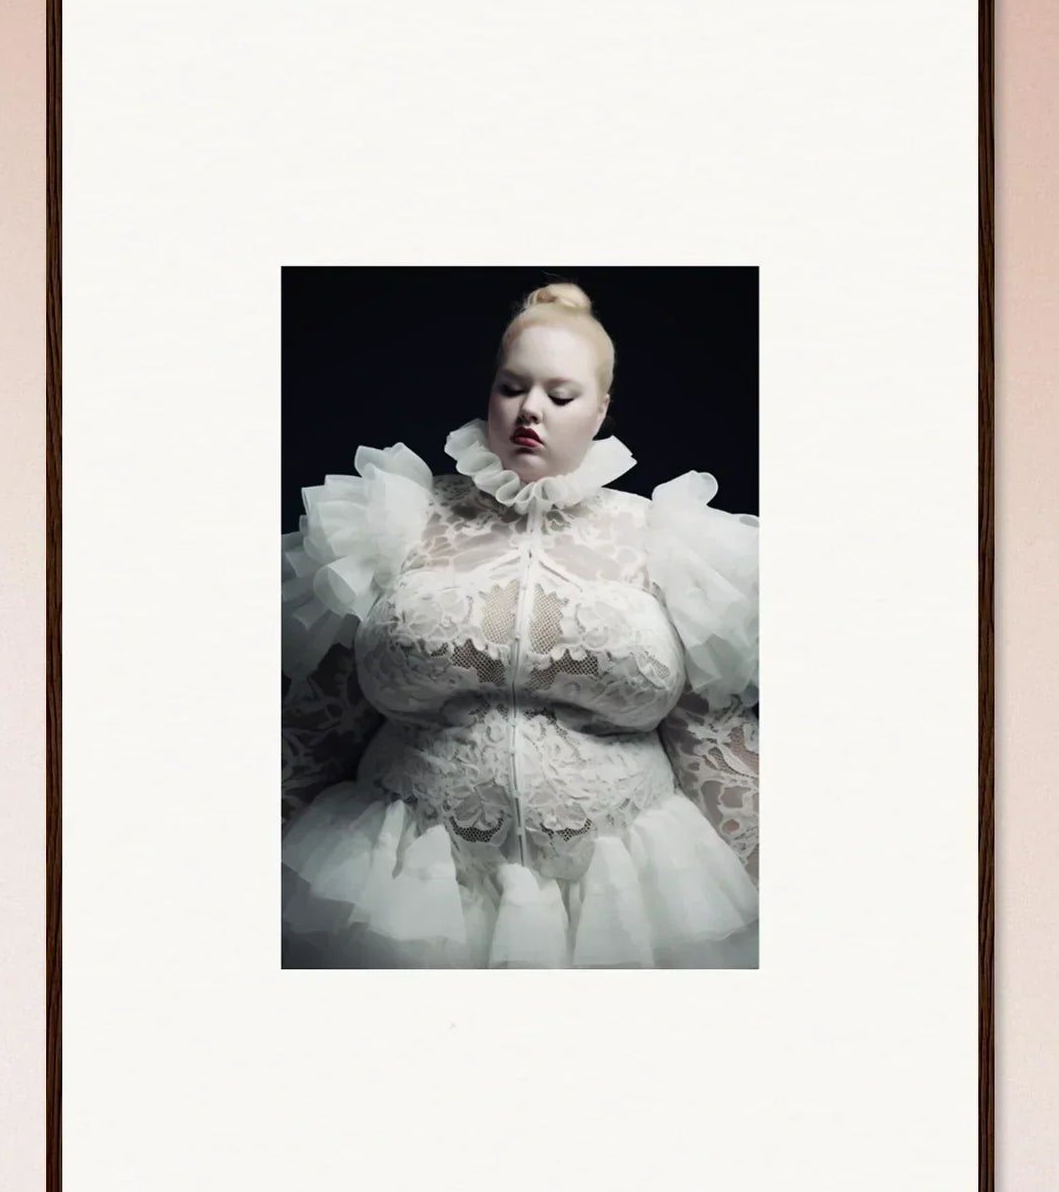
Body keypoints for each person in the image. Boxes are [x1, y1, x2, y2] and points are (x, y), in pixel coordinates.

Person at [280, 282, 760, 968]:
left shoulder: (666, 540)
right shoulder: (394, 521)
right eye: (512, 387)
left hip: (630, 897)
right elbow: (318, 723)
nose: (530, 409)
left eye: (560, 395)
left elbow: (711, 739)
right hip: (398, 888)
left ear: (601, 409)